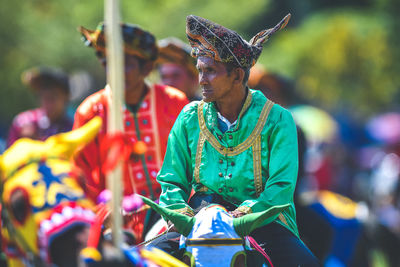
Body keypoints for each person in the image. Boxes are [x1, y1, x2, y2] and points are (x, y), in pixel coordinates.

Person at [149, 14, 320, 266]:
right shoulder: (188, 116)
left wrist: (240, 216)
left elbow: (281, 188)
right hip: (198, 216)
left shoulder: (278, 119)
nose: (201, 80)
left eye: (210, 71)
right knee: (144, 258)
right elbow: (171, 179)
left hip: (262, 221)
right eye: (199, 71)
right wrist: (181, 213)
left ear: (238, 76)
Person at [74, 22, 188, 242]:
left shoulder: (175, 102)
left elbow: (193, 162)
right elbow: (81, 176)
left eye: (125, 64)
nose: (116, 72)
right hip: (116, 221)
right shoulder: (90, 112)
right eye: (110, 64)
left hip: (176, 211)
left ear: (146, 68)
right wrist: (103, 211)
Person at [7, 67, 72, 147]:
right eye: (43, 97)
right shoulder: (23, 122)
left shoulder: (73, 128)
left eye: (53, 97)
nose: (48, 103)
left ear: (66, 97)